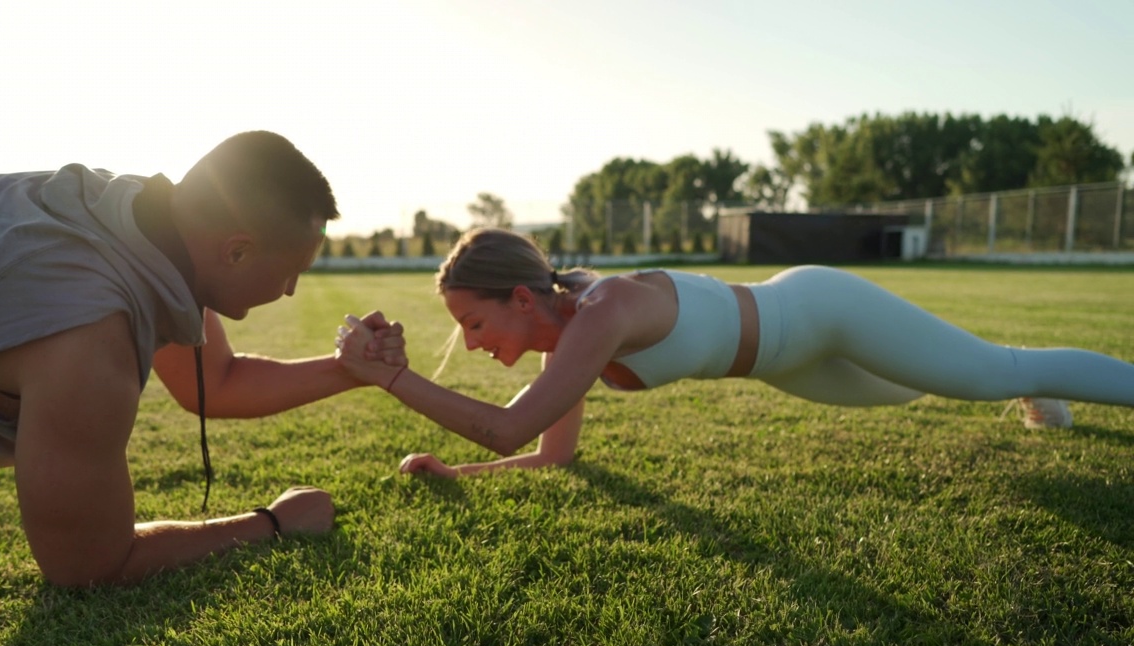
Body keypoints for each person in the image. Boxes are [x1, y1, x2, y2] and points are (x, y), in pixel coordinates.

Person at [0, 131, 403, 587]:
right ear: (236, 250)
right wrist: (274, 523)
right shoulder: (90, 328)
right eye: (293, 270)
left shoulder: (143, 220)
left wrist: (346, 369)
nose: (289, 291)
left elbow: (216, 381)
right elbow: (87, 567)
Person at [335, 228, 1134, 478]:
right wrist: (455, 470)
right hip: (791, 365)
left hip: (820, 311)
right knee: (918, 389)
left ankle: (1030, 378)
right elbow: (548, 456)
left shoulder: (603, 310)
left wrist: (391, 377)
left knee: (990, 372)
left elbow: (506, 429)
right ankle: (1029, 386)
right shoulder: (565, 342)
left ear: (519, 298)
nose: (472, 346)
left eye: (473, 325)